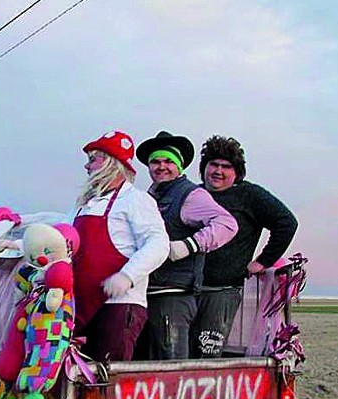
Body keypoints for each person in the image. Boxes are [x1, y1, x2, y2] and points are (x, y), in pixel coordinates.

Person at [134, 131, 239, 360]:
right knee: (146, 362)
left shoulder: (191, 195)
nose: (162, 166)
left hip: (173, 297)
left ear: (179, 166)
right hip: (148, 295)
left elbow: (227, 224)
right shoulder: (148, 197)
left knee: (170, 365)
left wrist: (189, 245)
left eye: (169, 161)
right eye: (156, 161)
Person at [192, 135, 298, 357]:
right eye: (213, 164)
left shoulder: (248, 195)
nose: (218, 171)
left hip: (222, 290)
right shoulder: (193, 195)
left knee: (207, 352)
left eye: (226, 166)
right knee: (179, 352)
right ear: (204, 167)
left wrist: (263, 262)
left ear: (236, 172)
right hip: (184, 289)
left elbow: (286, 223)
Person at [71, 130, 169, 362]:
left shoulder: (136, 200)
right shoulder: (87, 205)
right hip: (83, 307)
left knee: (105, 379)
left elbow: (158, 243)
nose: (87, 167)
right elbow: (61, 236)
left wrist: (127, 276)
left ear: (111, 164)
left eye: (93, 159)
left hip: (119, 306)